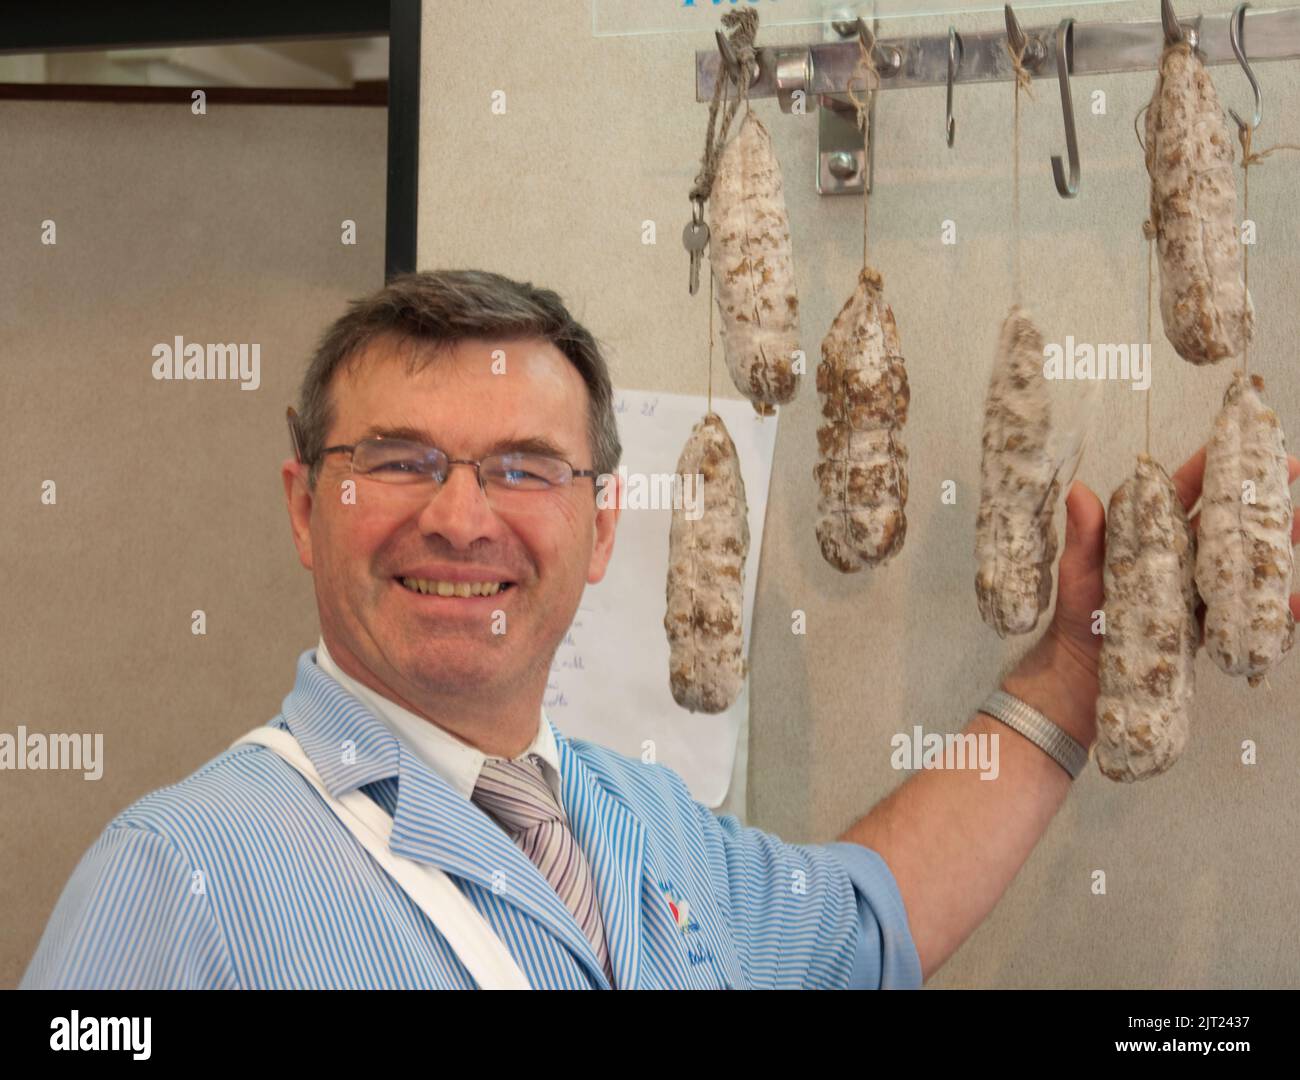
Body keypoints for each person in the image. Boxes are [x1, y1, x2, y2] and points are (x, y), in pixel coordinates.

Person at [21, 270, 1300, 990]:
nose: (463, 520)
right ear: (308, 507)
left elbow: (867, 923)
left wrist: (1076, 668)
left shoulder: (636, 826)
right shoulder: (175, 879)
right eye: (401, 461)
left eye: (525, 468)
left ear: (601, 524)